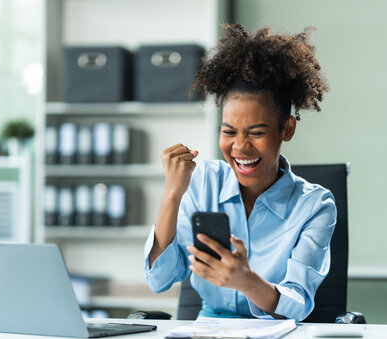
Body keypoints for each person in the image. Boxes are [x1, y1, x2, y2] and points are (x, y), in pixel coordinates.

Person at [144, 24, 335, 321]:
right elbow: (160, 279)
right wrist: (172, 195)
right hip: (206, 338)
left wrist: (246, 281)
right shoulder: (201, 182)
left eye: (256, 133)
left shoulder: (315, 206)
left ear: (287, 129)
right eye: (228, 131)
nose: (240, 147)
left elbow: (298, 304)